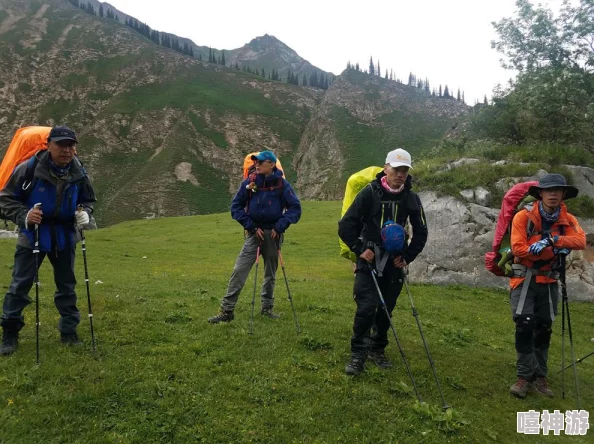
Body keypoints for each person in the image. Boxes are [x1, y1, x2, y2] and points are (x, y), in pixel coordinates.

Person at [0, 126, 96, 355]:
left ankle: (69, 332)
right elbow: (5, 200)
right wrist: (25, 216)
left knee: (67, 286)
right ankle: (9, 334)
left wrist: (85, 213)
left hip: (64, 236)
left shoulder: (79, 172)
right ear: (48, 145)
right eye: (61, 144)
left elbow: (88, 199)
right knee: (20, 285)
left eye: (71, 145)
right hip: (32, 234)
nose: (66, 150)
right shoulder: (29, 169)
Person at [338, 148, 428, 375]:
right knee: (366, 306)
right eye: (396, 169)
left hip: (394, 261)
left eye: (405, 170)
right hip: (369, 258)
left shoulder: (411, 198)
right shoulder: (369, 193)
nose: (400, 174)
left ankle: (377, 349)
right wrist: (359, 249)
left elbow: (421, 231)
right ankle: (358, 353)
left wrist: (407, 257)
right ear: (385, 168)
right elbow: (346, 225)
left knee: (387, 307)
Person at [508, 173, 586, 398]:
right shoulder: (523, 217)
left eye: (557, 190)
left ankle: (540, 376)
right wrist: (550, 247)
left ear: (563, 195)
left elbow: (580, 241)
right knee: (525, 324)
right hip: (525, 279)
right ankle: (524, 376)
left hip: (550, 280)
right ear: (540, 193)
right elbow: (519, 249)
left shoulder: (567, 219)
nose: (553, 194)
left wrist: (554, 240)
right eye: (549, 190)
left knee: (544, 327)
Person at [208, 150, 301, 323]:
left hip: (273, 235)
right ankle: (227, 311)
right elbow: (235, 207)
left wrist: (280, 226)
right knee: (239, 270)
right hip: (253, 234)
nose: (256, 165)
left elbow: (295, 208)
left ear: (271, 165)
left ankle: (266, 308)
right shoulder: (249, 182)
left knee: (270, 274)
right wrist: (250, 225)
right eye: (255, 162)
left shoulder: (282, 184)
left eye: (260, 162)